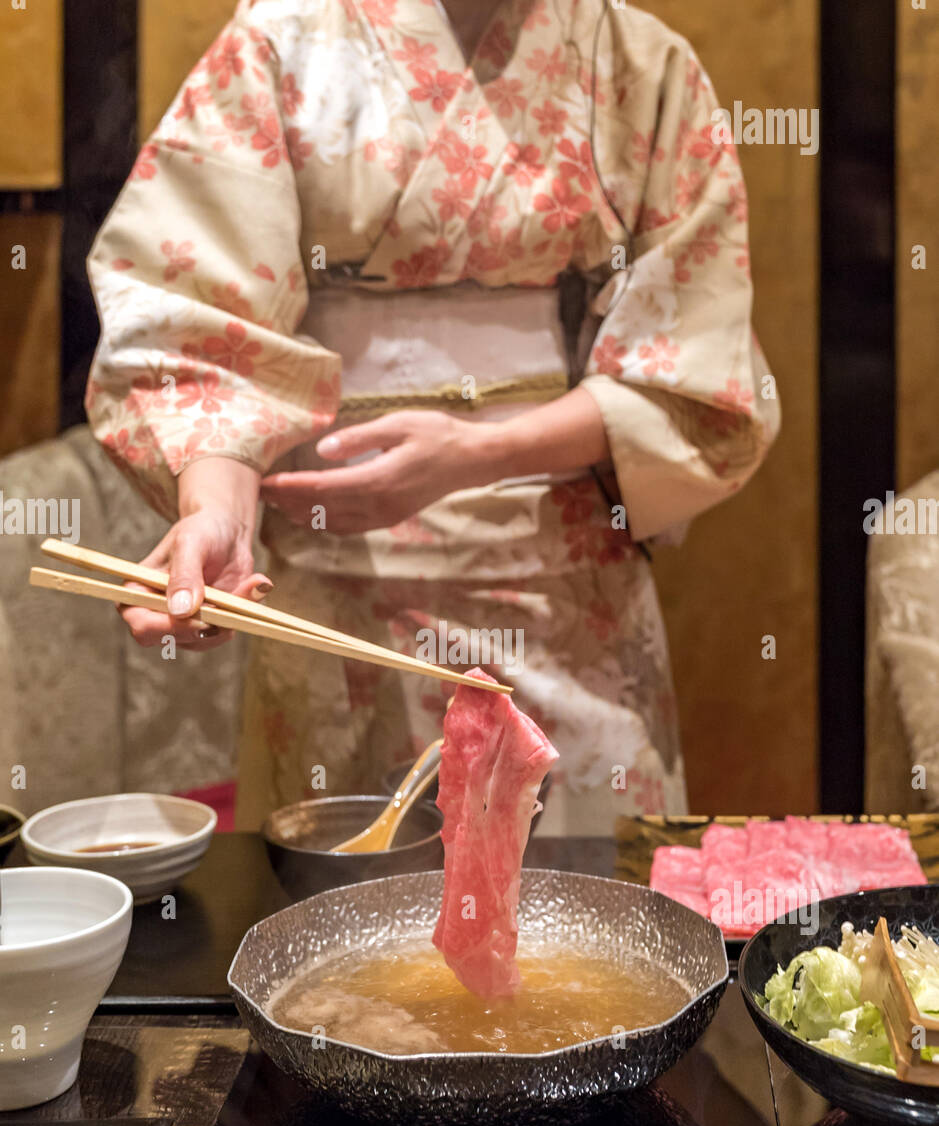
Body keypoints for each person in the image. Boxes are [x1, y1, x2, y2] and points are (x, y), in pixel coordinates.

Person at [85, 0, 780, 832]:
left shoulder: (635, 61)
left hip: (565, 585)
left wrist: (478, 450)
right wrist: (218, 516)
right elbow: (198, 333)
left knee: (588, 923)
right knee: (344, 928)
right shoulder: (281, 41)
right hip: (334, 586)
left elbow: (694, 368)